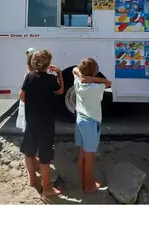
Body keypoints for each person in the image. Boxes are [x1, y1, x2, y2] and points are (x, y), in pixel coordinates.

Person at [18, 49, 64, 196]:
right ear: (49, 64)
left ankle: (32, 179)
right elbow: (60, 91)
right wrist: (60, 74)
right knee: (45, 156)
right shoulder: (51, 79)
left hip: (31, 121)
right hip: (46, 123)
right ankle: (47, 188)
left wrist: (33, 105)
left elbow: (22, 96)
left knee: (29, 151)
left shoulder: (29, 76)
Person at [72, 58, 111, 193]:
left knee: (82, 153)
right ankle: (89, 186)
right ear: (94, 73)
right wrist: (93, 79)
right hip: (91, 123)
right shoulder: (96, 87)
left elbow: (74, 70)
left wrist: (82, 77)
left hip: (80, 120)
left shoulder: (77, 81)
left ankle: (83, 183)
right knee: (90, 157)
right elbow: (108, 83)